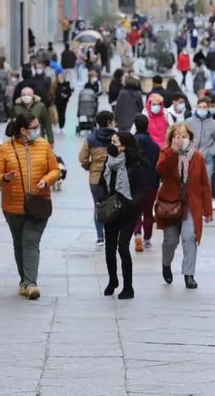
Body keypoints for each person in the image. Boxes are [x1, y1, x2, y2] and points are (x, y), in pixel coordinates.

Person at [0, 113, 60, 299]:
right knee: (19, 243)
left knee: (30, 242)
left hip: (38, 204)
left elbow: (55, 169)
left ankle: (30, 283)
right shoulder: (5, 148)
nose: (38, 130)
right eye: (34, 127)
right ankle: (24, 280)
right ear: (23, 130)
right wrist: (5, 178)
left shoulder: (43, 145)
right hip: (13, 205)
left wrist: (46, 180)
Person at [156, 122, 213, 290]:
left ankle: (189, 275)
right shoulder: (166, 153)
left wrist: (208, 210)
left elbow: (204, 185)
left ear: (190, 138)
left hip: (191, 205)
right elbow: (160, 170)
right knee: (171, 241)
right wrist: (173, 151)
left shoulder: (198, 157)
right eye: (176, 136)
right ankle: (166, 264)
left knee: (189, 238)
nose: (180, 139)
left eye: (184, 136)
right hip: (170, 205)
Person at [100, 132, 149, 299]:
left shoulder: (135, 165)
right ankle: (112, 280)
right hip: (111, 209)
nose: (111, 145)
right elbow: (101, 182)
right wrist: (103, 199)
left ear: (123, 146)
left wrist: (132, 203)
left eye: (115, 142)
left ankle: (128, 287)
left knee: (123, 247)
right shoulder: (109, 163)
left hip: (128, 211)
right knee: (109, 249)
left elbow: (143, 189)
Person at [79, 111, 117, 248]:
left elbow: (82, 158)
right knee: (112, 206)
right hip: (112, 176)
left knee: (98, 206)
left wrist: (90, 166)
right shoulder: (116, 137)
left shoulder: (90, 138)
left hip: (95, 178)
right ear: (108, 122)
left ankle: (100, 237)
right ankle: (111, 234)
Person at [132, 114, 162, 252]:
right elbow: (158, 165)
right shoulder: (155, 146)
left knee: (136, 211)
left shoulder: (130, 144)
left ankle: (137, 233)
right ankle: (147, 239)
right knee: (148, 212)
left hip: (134, 184)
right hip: (151, 183)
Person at [185, 97, 215, 188]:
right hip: (191, 157)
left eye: (204, 107)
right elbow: (184, 137)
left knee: (206, 183)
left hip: (207, 159)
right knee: (191, 183)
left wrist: (211, 152)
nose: (202, 109)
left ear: (208, 108)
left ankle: (205, 201)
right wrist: (187, 149)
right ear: (197, 107)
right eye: (200, 107)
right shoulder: (188, 122)